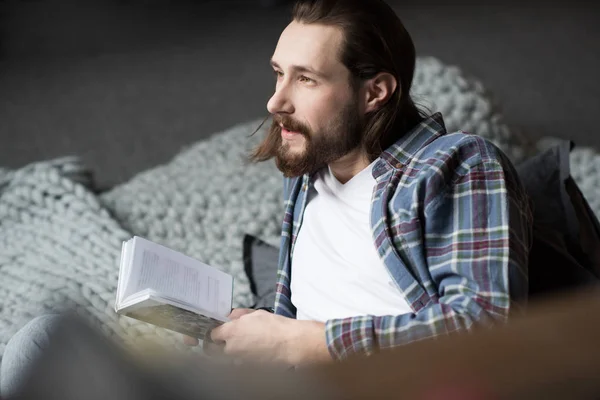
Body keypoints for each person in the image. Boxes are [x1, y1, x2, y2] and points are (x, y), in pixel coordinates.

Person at [1, 0, 533, 395]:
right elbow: (296, 317)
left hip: (383, 385)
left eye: (306, 79)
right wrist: (244, 330)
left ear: (375, 93)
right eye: (280, 74)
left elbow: (482, 326)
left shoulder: (458, 166)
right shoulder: (307, 179)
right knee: (45, 339)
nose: (276, 100)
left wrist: (301, 343)